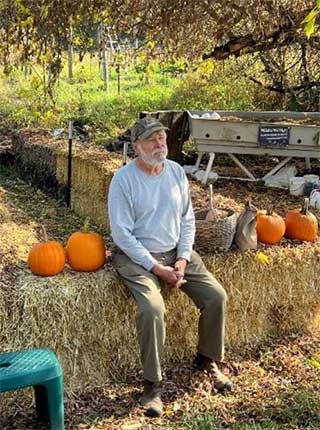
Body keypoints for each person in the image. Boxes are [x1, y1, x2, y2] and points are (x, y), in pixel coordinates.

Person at [108, 117, 232, 418]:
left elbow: (187, 220)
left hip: (175, 253)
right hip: (137, 257)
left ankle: (207, 360)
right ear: (137, 147)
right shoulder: (123, 180)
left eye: (162, 137)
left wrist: (182, 259)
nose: (160, 143)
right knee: (152, 309)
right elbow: (122, 234)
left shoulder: (176, 172)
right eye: (152, 139)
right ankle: (152, 384)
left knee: (216, 296)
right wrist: (155, 267)